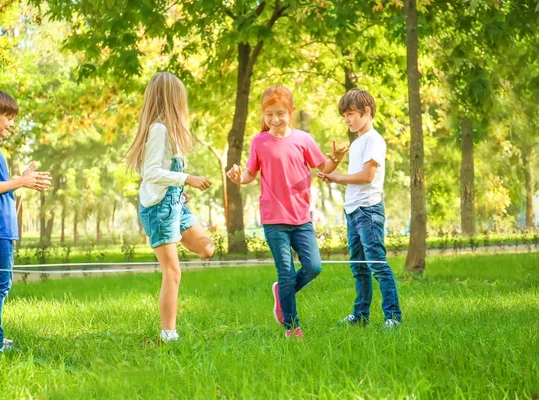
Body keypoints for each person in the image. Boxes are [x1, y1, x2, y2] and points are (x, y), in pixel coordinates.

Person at [227, 85, 348, 338]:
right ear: (263, 114)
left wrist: (336, 158)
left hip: (301, 217)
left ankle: (282, 291)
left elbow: (323, 166)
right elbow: (250, 173)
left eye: (280, 113)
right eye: (269, 114)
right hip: (273, 218)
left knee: (314, 267)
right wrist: (238, 178)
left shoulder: (303, 139)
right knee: (285, 271)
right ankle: (292, 328)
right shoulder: (259, 142)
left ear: (291, 111)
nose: (274, 119)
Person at [126, 72, 215, 342]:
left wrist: (178, 188)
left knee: (206, 248)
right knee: (172, 271)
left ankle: (173, 239)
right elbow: (151, 172)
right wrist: (187, 178)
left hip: (174, 203)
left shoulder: (169, 132)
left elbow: (161, 173)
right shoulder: (159, 130)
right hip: (158, 210)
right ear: (172, 99)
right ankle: (168, 333)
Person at [0, 89, 52, 351]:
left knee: (2, 283)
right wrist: (21, 181)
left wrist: (20, 180)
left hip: (1, 226)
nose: (12, 124)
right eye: (8, 118)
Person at [317, 88, 402, 328]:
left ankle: (393, 317)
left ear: (367, 111)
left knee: (377, 265)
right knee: (359, 267)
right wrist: (334, 167)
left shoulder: (374, 140)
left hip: (368, 211)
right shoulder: (357, 143)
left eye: (351, 114)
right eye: (344, 115)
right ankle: (361, 315)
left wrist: (338, 178)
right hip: (353, 210)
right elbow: (343, 174)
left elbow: (367, 176)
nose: (347, 120)